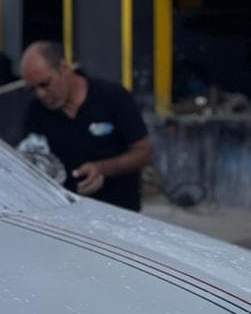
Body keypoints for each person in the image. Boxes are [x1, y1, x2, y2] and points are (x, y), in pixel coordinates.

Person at [19, 41, 153, 211]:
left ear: (64, 67)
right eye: (32, 89)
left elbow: (144, 152)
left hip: (119, 215)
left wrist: (102, 169)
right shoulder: (35, 111)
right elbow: (30, 163)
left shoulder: (112, 98)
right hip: (65, 217)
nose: (41, 94)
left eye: (45, 84)